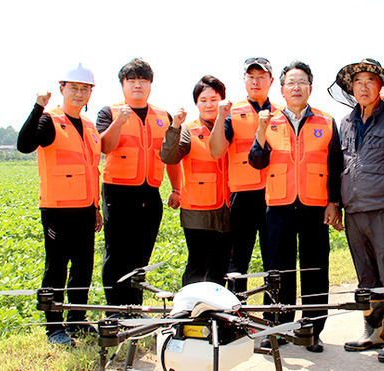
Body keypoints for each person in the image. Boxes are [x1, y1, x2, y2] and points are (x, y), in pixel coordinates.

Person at [329, 58, 384, 362]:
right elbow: (340, 165)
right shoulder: (345, 122)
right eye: (358, 82)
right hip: (354, 210)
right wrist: (337, 204)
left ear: (383, 86)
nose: (364, 87)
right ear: (351, 88)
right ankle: (372, 332)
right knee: (366, 274)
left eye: (371, 81)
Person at [249, 60, 342, 353]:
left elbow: (335, 165)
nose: (297, 87)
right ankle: (276, 327)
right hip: (279, 206)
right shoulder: (269, 121)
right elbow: (256, 161)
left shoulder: (326, 122)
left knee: (315, 269)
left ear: (310, 88)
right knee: (278, 271)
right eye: (291, 82)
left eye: (302, 82)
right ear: (283, 88)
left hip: (315, 206)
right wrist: (261, 129)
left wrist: (334, 203)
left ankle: (311, 330)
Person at [16, 64, 102, 346]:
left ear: (91, 92)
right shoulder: (49, 119)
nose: (79, 93)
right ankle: (53, 327)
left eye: (85, 88)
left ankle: (77, 321)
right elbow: (25, 145)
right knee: (56, 269)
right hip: (58, 210)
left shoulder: (89, 126)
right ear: (62, 88)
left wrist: (96, 207)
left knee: (82, 268)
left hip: (86, 209)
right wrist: (38, 106)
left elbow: (91, 169)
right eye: (74, 88)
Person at [97, 58, 181, 307]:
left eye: (142, 81)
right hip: (117, 192)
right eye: (131, 81)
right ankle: (115, 309)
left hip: (150, 193)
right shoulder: (110, 112)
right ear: (122, 85)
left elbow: (171, 156)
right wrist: (119, 122)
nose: (137, 86)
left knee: (141, 255)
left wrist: (176, 188)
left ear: (150, 85)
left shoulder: (162, 116)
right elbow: (104, 146)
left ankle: (133, 308)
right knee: (116, 255)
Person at [209, 57, 280, 293]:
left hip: (275, 196)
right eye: (251, 77)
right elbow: (217, 150)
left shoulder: (281, 113)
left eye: (261, 77)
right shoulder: (232, 112)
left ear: (271, 81)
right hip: (243, 196)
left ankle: (274, 318)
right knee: (238, 262)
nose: (256, 82)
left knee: (274, 262)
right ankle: (236, 318)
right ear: (244, 80)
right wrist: (220, 117)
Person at [160, 75, 232, 286]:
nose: (209, 105)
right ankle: (191, 314)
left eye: (214, 99)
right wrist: (174, 126)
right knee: (197, 265)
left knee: (221, 266)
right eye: (203, 100)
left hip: (227, 208)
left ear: (222, 101)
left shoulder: (230, 126)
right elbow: (169, 157)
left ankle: (218, 314)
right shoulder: (187, 130)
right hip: (197, 212)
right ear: (196, 103)